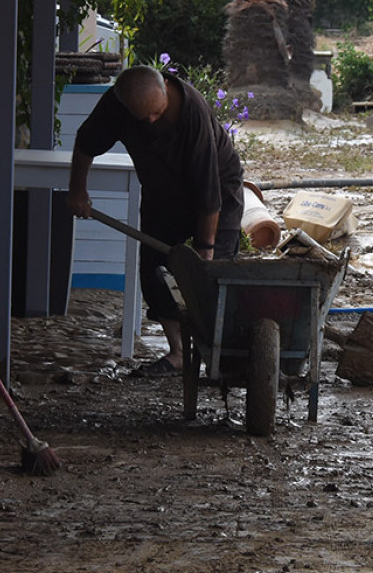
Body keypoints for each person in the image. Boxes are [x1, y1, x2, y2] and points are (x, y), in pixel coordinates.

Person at [67, 65, 245, 376]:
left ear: (164, 88)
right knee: (154, 269)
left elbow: (208, 195)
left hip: (218, 189)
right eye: (142, 117)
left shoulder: (193, 113)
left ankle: (221, 355)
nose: (150, 121)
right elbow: (85, 142)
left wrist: (205, 251)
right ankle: (178, 353)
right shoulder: (116, 105)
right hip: (161, 191)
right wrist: (78, 189)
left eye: (156, 114)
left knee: (215, 273)